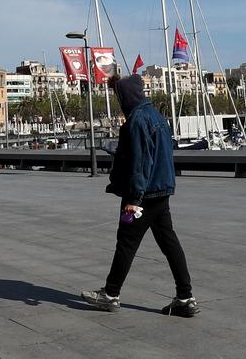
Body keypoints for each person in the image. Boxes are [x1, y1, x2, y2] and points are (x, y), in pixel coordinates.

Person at [81, 73, 198, 317]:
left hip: (142, 195)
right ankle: (186, 297)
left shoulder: (136, 121)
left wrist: (133, 201)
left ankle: (110, 294)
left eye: (119, 97)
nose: (119, 101)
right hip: (161, 191)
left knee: (126, 241)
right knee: (169, 242)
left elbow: (140, 163)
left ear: (127, 97)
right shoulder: (157, 117)